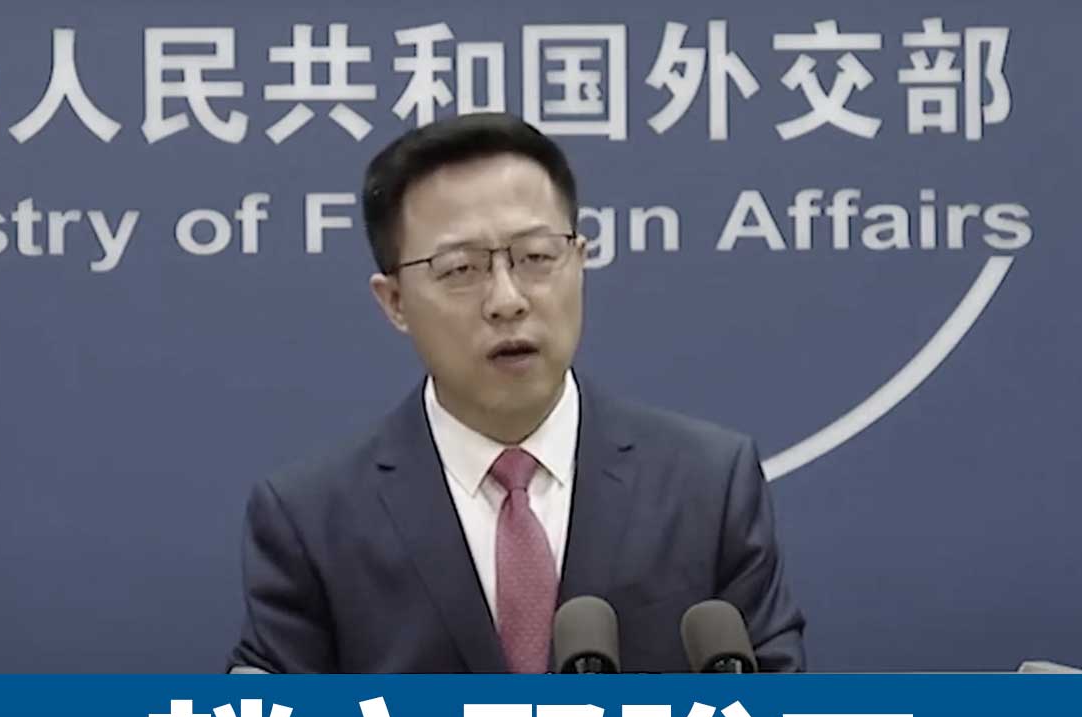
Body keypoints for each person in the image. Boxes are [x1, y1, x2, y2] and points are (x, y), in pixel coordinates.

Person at [229, 113, 805, 673]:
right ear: (395, 302)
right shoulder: (313, 520)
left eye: (536, 258)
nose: (507, 300)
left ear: (579, 261)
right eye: (460, 269)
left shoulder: (706, 486)